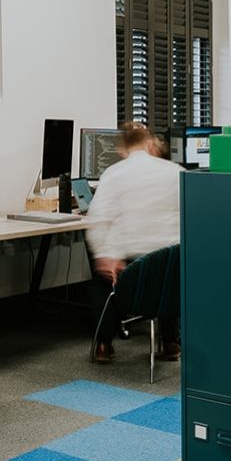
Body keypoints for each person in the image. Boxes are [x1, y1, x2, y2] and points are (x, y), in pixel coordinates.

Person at [84, 121, 183, 364]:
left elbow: (98, 219)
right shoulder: (176, 172)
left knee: (102, 281)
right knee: (169, 268)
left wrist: (104, 256)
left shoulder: (113, 174)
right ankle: (171, 342)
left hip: (129, 274)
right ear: (150, 144)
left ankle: (104, 345)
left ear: (123, 149)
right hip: (169, 271)